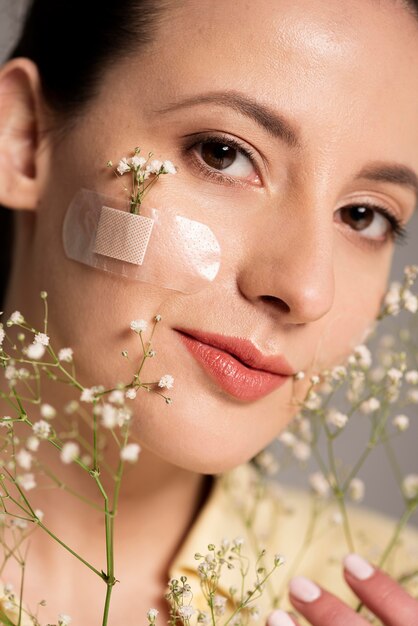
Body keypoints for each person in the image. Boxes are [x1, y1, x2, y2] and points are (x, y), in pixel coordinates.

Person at [0, 0, 417, 624]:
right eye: (223, 154)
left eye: (364, 215)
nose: (306, 289)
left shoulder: (393, 584)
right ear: (26, 138)